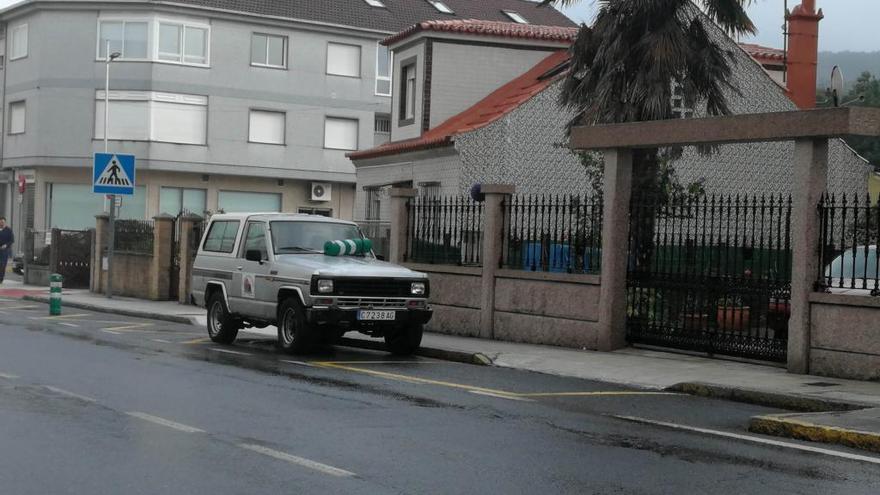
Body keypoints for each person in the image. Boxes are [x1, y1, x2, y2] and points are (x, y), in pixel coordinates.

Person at [0, 217, 13, 284]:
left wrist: (6, 245)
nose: (1, 223)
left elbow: (12, 240)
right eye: (0, 222)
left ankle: (1, 279)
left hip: (4, 250)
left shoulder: (8, 230)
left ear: (5, 222)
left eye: (3, 222)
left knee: (2, 265)